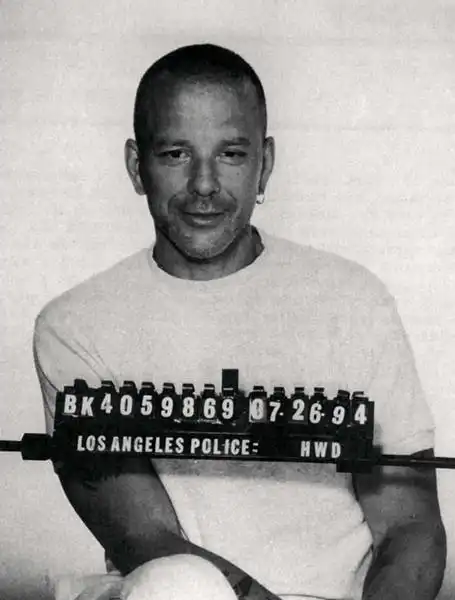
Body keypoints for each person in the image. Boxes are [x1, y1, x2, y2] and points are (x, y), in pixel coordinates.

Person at [33, 43, 446, 600]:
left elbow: (409, 527)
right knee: (178, 585)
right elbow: (145, 539)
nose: (204, 184)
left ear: (264, 164)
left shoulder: (354, 300)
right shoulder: (73, 326)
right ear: (136, 167)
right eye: (175, 153)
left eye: (230, 154)